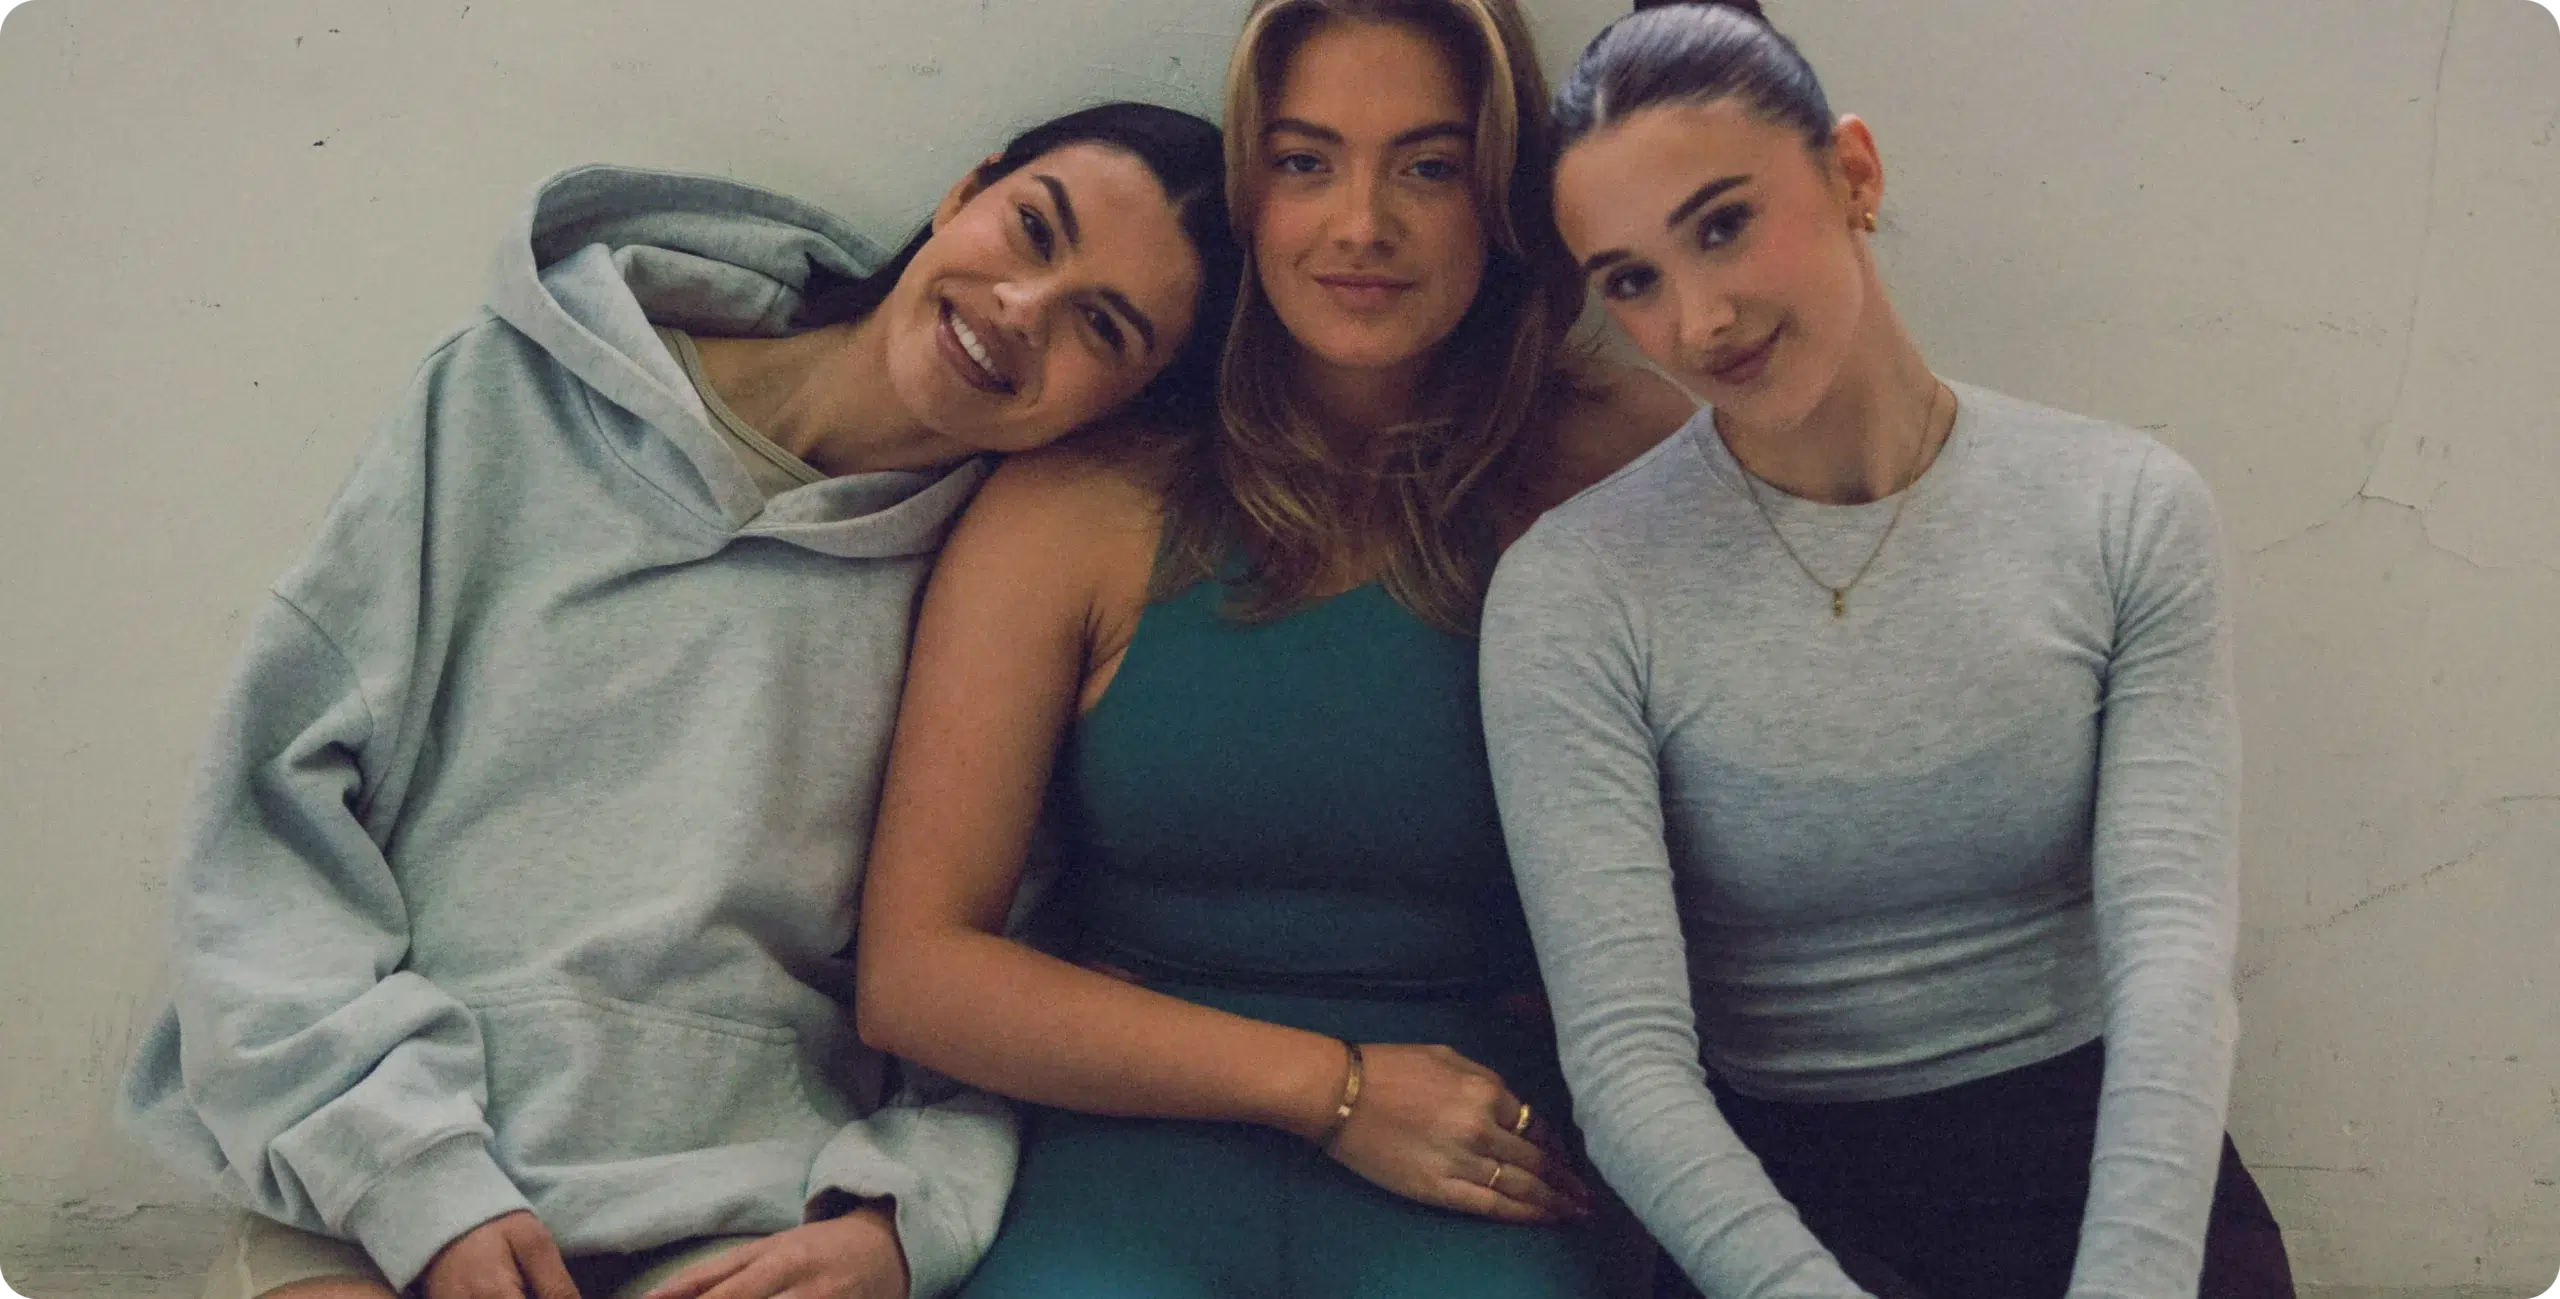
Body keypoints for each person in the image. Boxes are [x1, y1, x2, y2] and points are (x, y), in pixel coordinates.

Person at [118, 102, 1240, 1299]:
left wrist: (898, 1221)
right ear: (966, 191)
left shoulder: (1001, 590)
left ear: (1123, 410)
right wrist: (411, 1181)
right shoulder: (505, 399)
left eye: (1101, 328)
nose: (1023, 307)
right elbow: (267, 839)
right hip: (373, 1175)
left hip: (743, 1213)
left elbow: (986, 982)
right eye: (1032, 229)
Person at [850, 2, 1697, 1297]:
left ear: (1505, 195)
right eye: (1307, 161)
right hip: (1123, 1142)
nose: (1363, 224)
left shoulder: (1616, 462)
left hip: (1490, 1156)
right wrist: (1332, 1087)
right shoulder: (1087, 496)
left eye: (1429, 165)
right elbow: (916, 974)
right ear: (1250, 190)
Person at [1478, 4, 2298, 1297]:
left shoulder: (2124, 507)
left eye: (1723, 222)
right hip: (1776, 1184)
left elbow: (2174, 963)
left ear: (1853, 173)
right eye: (1631, 278)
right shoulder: (1575, 589)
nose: (1699, 317)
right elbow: (1629, 1060)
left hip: (2097, 1144)